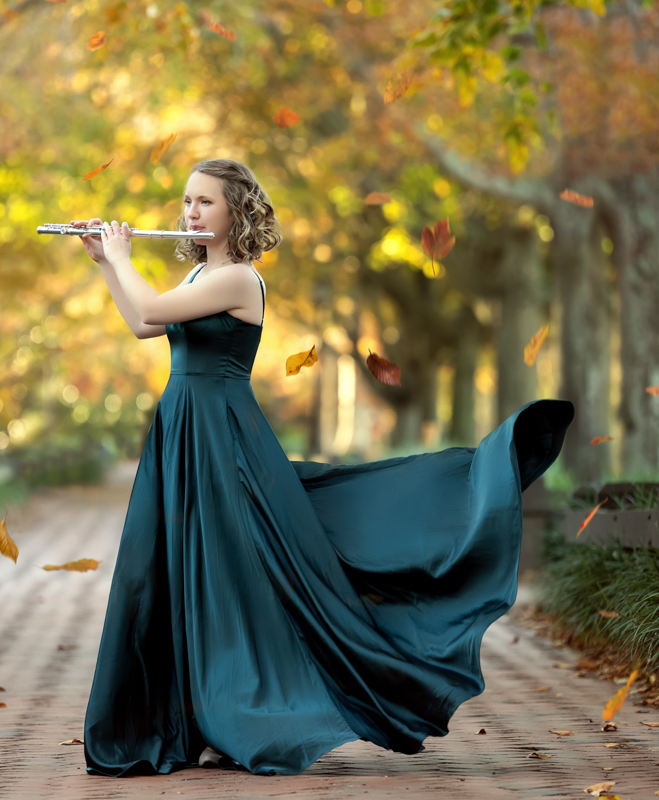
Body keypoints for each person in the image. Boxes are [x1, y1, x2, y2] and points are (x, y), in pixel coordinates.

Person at [73, 159, 574, 778]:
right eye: (187, 201)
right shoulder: (203, 271)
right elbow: (144, 321)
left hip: (223, 436)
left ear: (237, 211)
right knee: (180, 566)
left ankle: (244, 709)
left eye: (205, 201)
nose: (191, 212)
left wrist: (122, 255)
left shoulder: (238, 280)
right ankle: (194, 714)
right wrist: (105, 264)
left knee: (235, 568)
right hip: (182, 428)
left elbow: (150, 299)